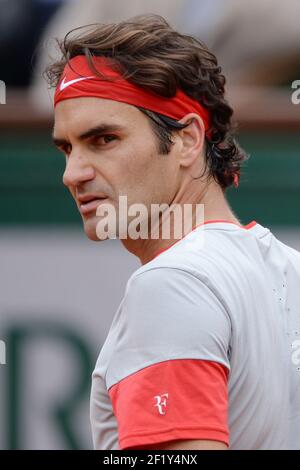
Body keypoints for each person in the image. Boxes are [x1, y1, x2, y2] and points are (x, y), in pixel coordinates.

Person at [47, 14, 300, 450]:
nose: (73, 173)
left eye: (104, 139)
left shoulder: (170, 285)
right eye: (67, 148)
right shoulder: (290, 270)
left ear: (187, 140)